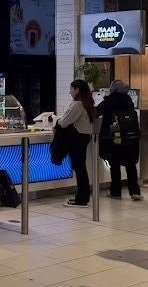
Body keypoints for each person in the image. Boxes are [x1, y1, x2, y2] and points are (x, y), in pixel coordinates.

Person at [97, 80, 142, 201]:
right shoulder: (129, 101)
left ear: (113, 89)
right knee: (131, 165)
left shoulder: (109, 101)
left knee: (115, 165)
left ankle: (116, 192)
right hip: (130, 137)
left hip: (114, 137)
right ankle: (135, 192)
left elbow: (96, 112)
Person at [59, 79, 96, 207]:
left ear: (77, 90)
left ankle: (81, 199)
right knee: (81, 168)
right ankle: (82, 197)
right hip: (84, 137)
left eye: (71, 89)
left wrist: (58, 122)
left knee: (79, 169)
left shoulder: (78, 104)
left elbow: (64, 122)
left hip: (77, 139)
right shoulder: (87, 102)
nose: (69, 92)